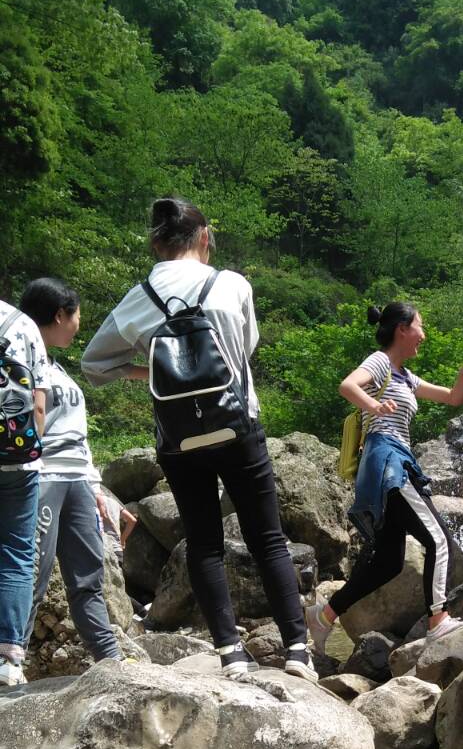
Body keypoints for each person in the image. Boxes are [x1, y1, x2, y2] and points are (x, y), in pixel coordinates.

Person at [82, 196, 316, 682]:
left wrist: (150, 371)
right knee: (267, 539)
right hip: (238, 426)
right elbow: (245, 349)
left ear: (156, 245)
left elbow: (94, 364)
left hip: (178, 439)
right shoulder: (232, 284)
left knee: (205, 544)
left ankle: (230, 654)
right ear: (205, 237)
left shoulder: (139, 297)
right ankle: (298, 651)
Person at [306, 304, 463, 656]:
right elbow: (348, 385)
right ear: (402, 329)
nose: (424, 334)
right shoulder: (380, 362)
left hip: (394, 462)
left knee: (388, 561)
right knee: (438, 538)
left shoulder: (406, 377)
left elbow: (453, 398)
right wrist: (374, 407)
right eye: (420, 326)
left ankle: (324, 615)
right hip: (388, 462)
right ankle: (439, 619)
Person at [19, 278, 122, 663]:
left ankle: (109, 658)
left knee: (88, 576)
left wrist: (96, 487)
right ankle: (11, 659)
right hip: (42, 476)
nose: (79, 324)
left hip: (77, 479)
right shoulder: (19, 361)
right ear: (61, 314)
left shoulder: (58, 369)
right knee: (31, 574)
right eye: (77, 315)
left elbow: (79, 436)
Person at [0, 299, 48, 685]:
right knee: (16, 554)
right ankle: (8, 660)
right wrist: (31, 450)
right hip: (18, 461)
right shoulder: (23, 323)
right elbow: (39, 405)